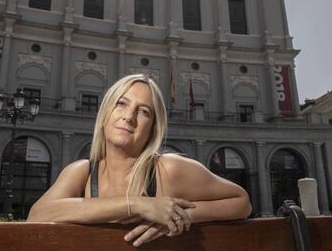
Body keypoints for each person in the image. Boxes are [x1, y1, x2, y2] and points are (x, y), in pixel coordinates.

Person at [27, 74, 252, 247]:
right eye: (121, 104)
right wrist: (137, 204)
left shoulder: (168, 169)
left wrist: (179, 215)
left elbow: (242, 201)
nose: (129, 116)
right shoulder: (81, 171)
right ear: (105, 112)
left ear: (153, 129)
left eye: (143, 111)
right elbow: (37, 216)